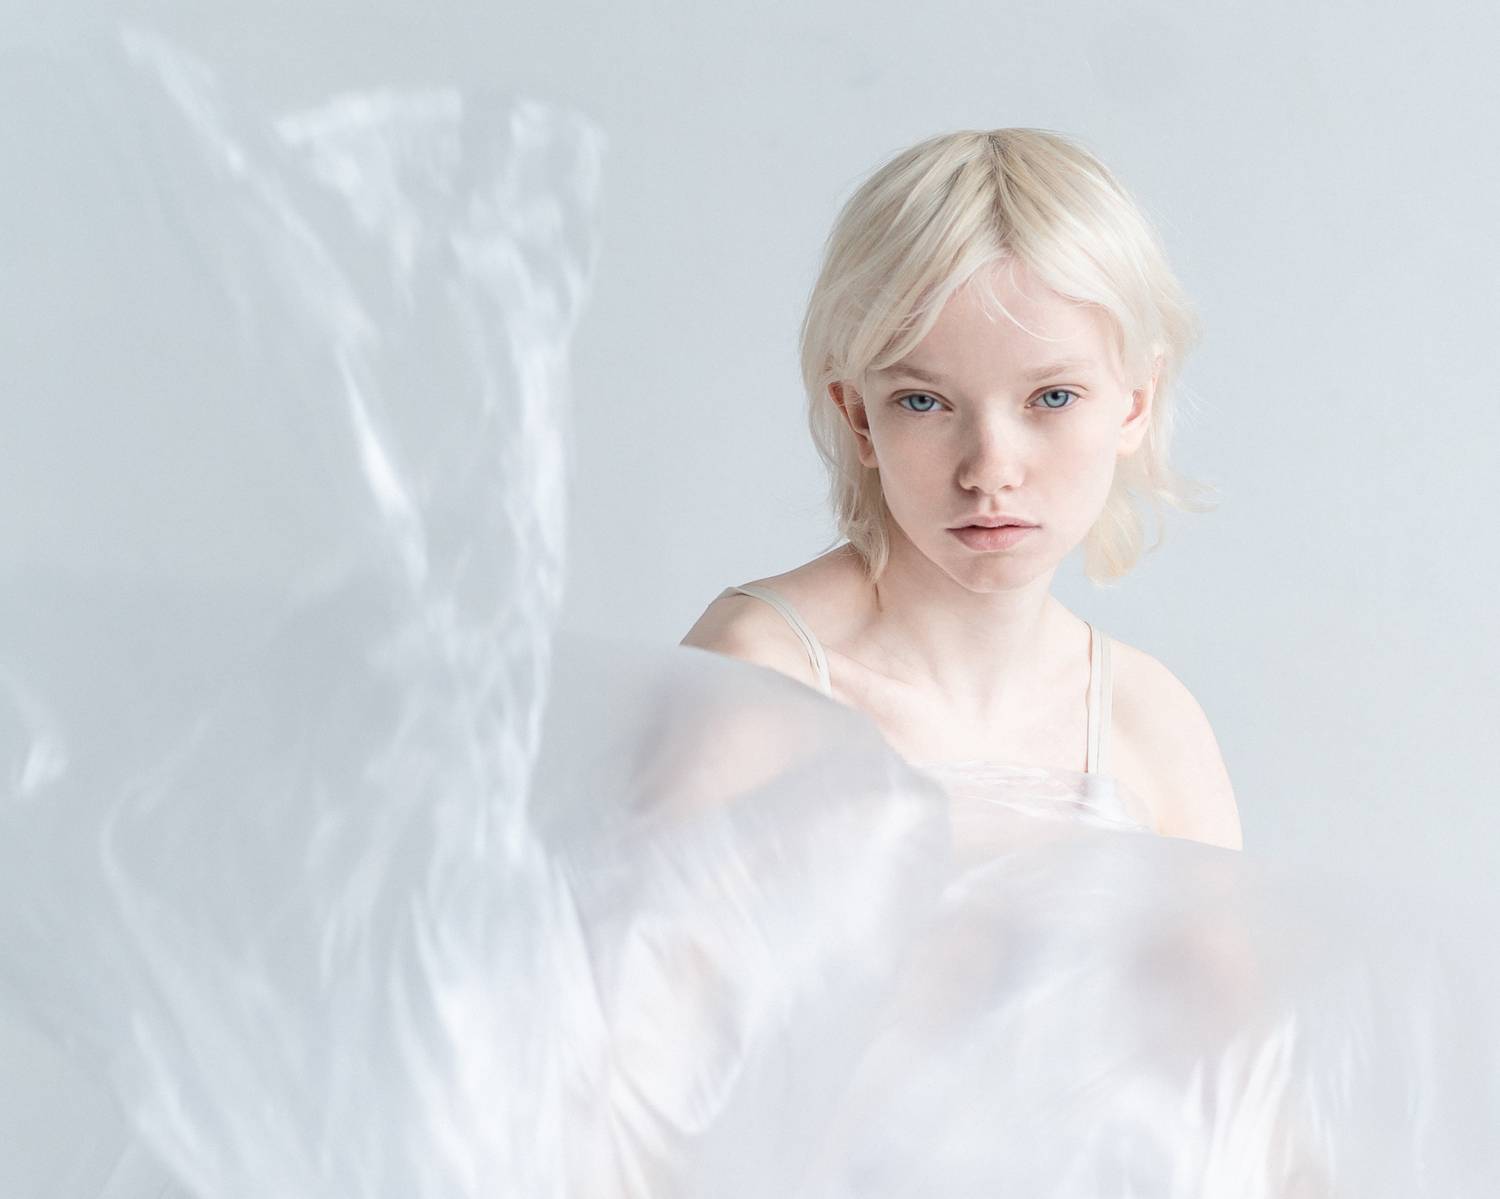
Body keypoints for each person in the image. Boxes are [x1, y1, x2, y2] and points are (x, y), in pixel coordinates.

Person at [681, 128, 1242, 850]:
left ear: (1135, 403)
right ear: (858, 416)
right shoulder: (756, 682)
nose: (989, 469)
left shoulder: (1153, 727)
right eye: (924, 401)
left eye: (1053, 397)